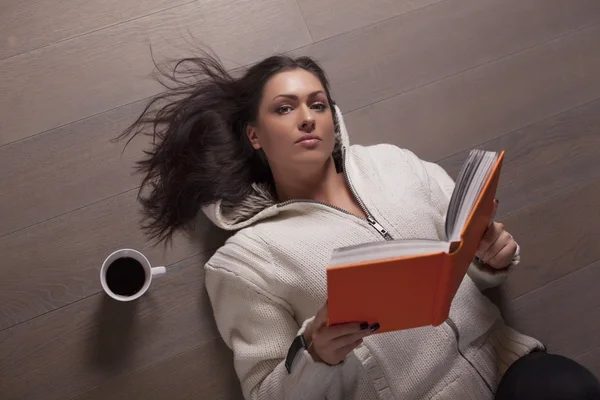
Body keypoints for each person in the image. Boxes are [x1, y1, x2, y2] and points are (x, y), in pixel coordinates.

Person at [120, 51, 600, 399]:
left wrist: (489, 258)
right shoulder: (244, 262)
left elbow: (463, 251)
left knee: (570, 389)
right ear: (255, 135)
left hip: (509, 365)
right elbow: (267, 392)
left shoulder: (394, 163)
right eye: (285, 108)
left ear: (333, 118)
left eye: (318, 104)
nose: (307, 118)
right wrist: (314, 354)